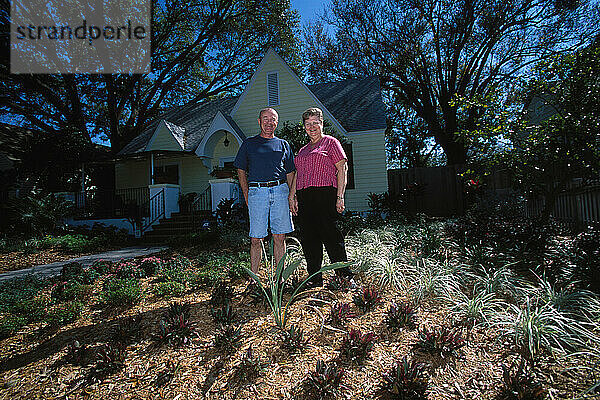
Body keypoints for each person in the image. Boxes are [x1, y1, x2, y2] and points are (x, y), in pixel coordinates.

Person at [289, 107, 353, 287]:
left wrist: (340, 196)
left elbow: (342, 169)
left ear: (322, 123)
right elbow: (297, 175)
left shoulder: (331, 143)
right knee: (309, 240)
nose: (311, 127)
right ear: (304, 127)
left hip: (325, 194)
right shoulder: (301, 151)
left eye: (315, 123)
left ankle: (344, 277)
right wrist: (292, 196)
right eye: (307, 124)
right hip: (304, 197)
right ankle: (314, 279)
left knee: (332, 237)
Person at [234, 107, 296, 274]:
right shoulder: (249, 143)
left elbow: (291, 172)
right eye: (266, 118)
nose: (269, 122)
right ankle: (254, 278)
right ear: (259, 121)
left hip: (280, 191)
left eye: (273, 119)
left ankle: (279, 277)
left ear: (277, 122)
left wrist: (292, 196)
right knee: (256, 239)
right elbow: (241, 170)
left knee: (280, 237)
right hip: (258, 192)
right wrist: (246, 194)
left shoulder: (283, 144)